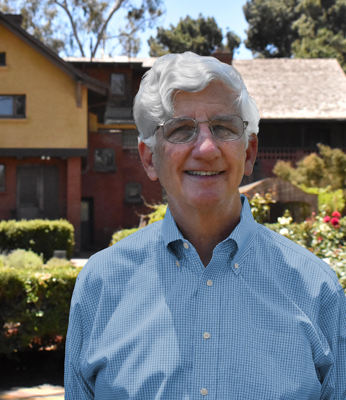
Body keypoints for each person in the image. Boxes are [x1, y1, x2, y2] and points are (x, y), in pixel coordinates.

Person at [64, 52, 346, 399]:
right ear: (149, 158)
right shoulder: (100, 286)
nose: (207, 148)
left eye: (224, 128)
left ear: (249, 152)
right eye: (181, 130)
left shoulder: (316, 289)